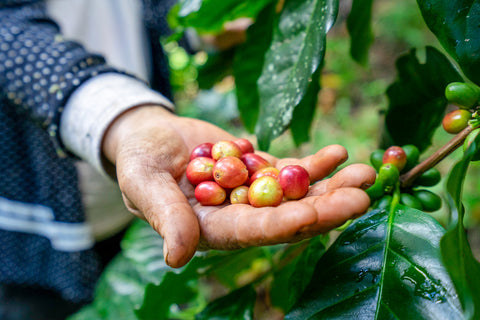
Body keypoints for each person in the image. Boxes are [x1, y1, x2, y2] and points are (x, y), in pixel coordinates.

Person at [0, 0, 376, 319]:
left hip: (129, 197)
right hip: (28, 228)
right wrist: (127, 118)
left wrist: (206, 19)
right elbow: (8, 31)